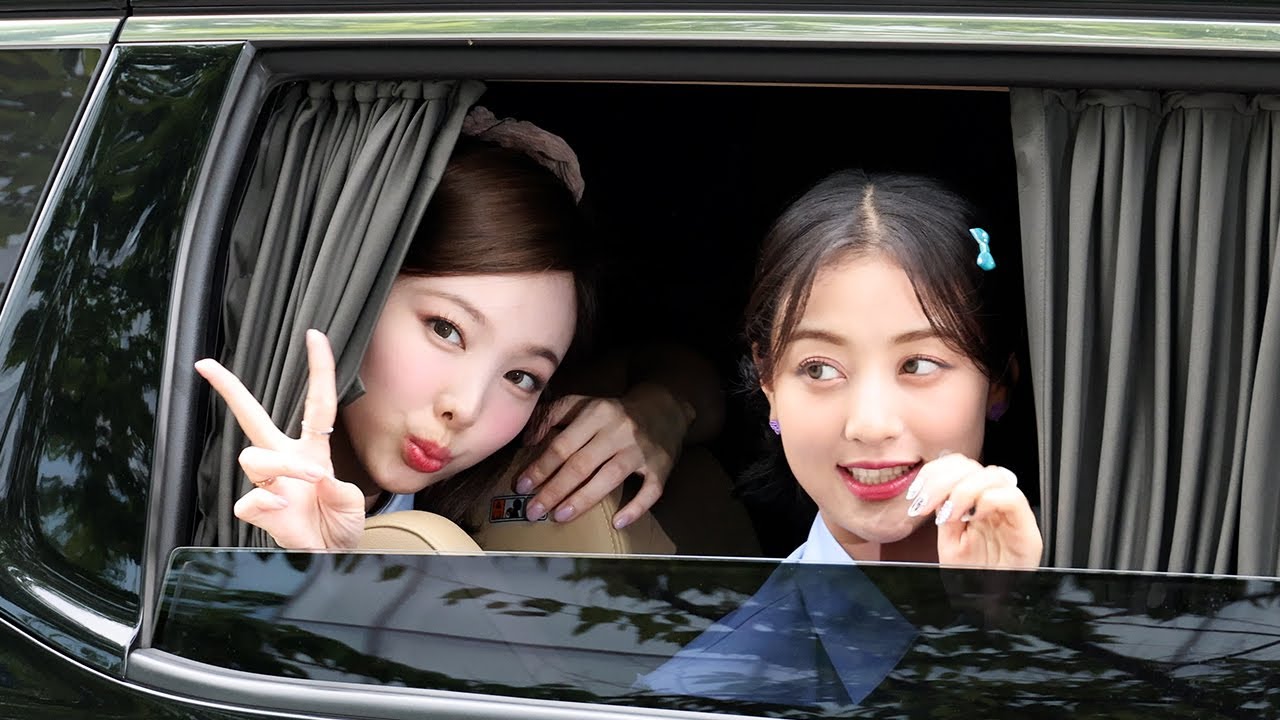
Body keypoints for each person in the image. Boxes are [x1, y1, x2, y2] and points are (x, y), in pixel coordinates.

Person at [195, 109, 717, 549]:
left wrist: (660, 410)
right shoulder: (192, 473)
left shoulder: (506, 464)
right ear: (356, 293)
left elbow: (691, 379)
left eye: (522, 377)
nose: (466, 408)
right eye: (446, 330)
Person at [640, 169, 1041, 708]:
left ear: (997, 383)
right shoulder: (709, 696)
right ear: (769, 383)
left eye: (918, 364)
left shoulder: (1120, 575)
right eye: (820, 369)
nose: (869, 424)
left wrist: (1003, 623)